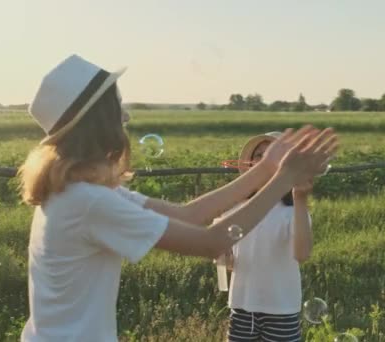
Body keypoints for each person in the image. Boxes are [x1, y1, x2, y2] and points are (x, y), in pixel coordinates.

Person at [18, 55, 337, 341]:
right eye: (118, 107)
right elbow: (211, 243)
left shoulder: (83, 192)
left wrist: (267, 168)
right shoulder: (89, 202)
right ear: (99, 122)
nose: (126, 117)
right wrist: (283, 178)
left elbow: (189, 215)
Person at [221, 132, 314, 342]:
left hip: (280, 308)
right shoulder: (237, 211)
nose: (264, 160)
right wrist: (223, 256)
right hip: (242, 306)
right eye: (259, 155)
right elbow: (230, 263)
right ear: (250, 164)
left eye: (272, 154)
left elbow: (302, 254)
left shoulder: (293, 212)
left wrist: (300, 199)